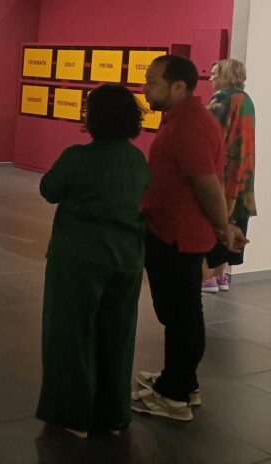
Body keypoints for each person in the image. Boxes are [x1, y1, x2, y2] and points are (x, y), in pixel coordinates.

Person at [132, 55, 247, 421]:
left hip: (178, 236)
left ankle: (175, 395)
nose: (146, 88)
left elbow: (206, 183)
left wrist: (223, 226)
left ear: (178, 86)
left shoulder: (188, 126)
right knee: (180, 313)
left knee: (181, 316)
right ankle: (180, 380)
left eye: (152, 82)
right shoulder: (184, 119)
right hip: (173, 231)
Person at [36, 84, 151, 438]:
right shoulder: (137, 159)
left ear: (94, 117)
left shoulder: (77, 157)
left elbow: (49, 190)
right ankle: (113, 414)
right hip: (127, 258)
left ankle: (73, 414)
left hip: (79, 259)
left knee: (71, 333)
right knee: (118, 335)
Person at [201, 59, 256, 293]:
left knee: (210, 222)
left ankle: (206, 278)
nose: (210, 78)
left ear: (225, 74)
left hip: (223, 173)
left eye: (215, 74)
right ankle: (220, 276)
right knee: (233, 222)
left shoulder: (222, 97)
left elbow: (207, 133)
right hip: (243, 175)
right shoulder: (246, 99)